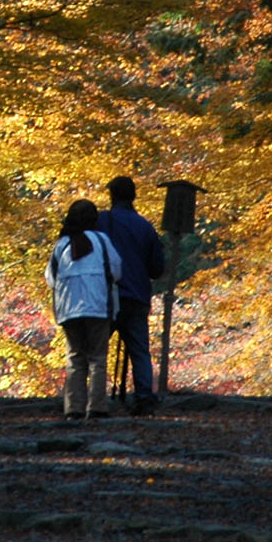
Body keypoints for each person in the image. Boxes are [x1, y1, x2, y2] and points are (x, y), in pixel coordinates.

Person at [45, 199, 120, 420]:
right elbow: (116, 271)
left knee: (75, 357)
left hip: (69, 308)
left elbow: (50, 278)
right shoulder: (102, 241)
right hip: (98, 305)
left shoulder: (62, 245)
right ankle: (97, 407)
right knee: (97, 357)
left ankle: (73, 408)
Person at [98, 175, 166, 415]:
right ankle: (144, 396)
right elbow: (157, 268)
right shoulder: (145, 226)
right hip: (136, 295)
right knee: (139, 349)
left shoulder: (101, 221)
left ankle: (88, 398)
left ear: (112, 196)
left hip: (106, 295)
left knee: (95, 349)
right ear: (133, 197)